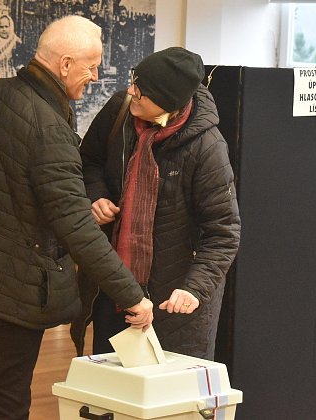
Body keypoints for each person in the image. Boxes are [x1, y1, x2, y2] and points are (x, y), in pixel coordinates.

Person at [0, 15, 154, 420]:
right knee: (8, 395)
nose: (96, 76)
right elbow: (76, 226)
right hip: (18, 282)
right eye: (91, 65)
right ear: (64, 64)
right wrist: (131, 294)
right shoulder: (50, 127)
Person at [70, 47, 241, 360]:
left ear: (170, 103)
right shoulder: (120, 110)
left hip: (175, 304)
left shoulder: (208, 149)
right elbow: (89, 160)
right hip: (115, 289)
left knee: (165, 405)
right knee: (110, 395)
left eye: (142, 91)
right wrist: (96, 196)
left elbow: (224, 233)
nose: (131, 91)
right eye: (134, 81)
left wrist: (193, 289)